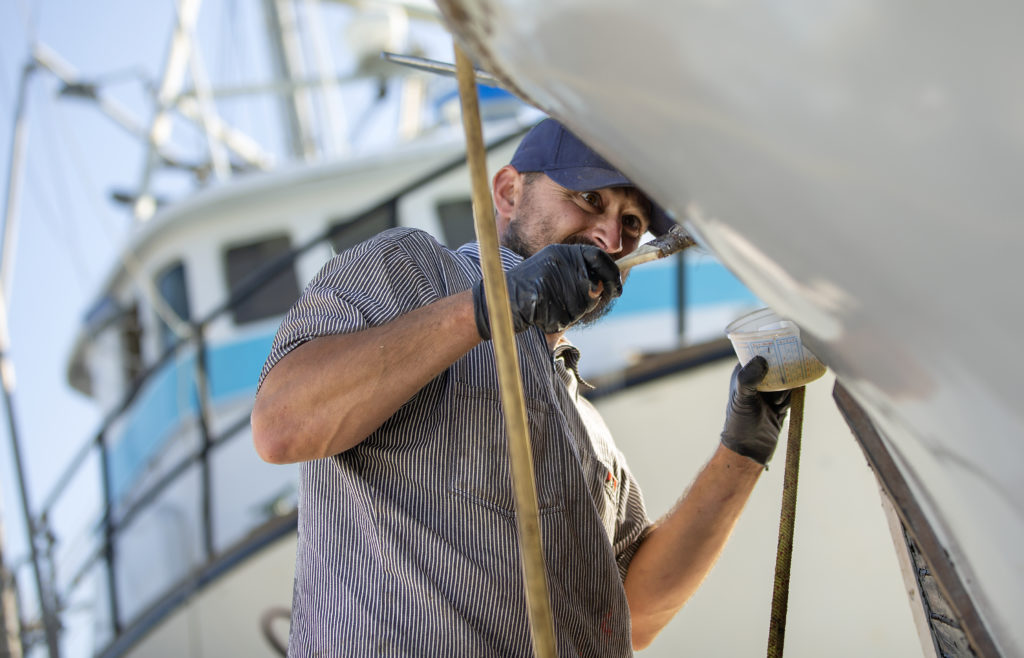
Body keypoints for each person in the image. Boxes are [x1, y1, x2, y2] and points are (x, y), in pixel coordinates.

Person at [251, 118, 791, 657]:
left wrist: (742, 453)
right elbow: (281, 426)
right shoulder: (414, 271)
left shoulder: (589, 430)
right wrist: (489, 307)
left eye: (631, 222)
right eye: (589, 198)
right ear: (509, 193)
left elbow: (634, 618)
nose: (611, 238)